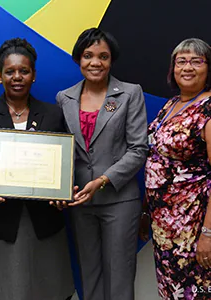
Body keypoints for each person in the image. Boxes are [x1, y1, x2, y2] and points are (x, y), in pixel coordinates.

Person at [0, 38, 74, 300]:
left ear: (33, 75)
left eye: (24, 71)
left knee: (47, 290)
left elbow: (67, 164)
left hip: (44, 222)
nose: (17, 77)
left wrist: (63, 194)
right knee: (0, 292)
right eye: (10, 71)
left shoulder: (53, 114)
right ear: (0, 76)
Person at [56, 28, 148, 300]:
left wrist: (103, 180)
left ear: (111, 60)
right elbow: (63, 151)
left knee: (119, 275)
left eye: (103, 56)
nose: (95, 62)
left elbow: (138, 148)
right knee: (89, 273)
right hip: (80, 201)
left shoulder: (130, 93)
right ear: (78, 59)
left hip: (119, 199)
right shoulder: (65, 98)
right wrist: (59, 188)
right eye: (88, 55)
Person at [140, 38, 211, 299]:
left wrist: (208, 234)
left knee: (199, 292)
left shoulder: (208, 108)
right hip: (165, 230)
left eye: (197, 61)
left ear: (208, 68)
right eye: (181, 61)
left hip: (194, 229)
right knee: (172, 292)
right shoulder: (171, 105)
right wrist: (146, 211)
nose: (188, 67)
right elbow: (158, 161)